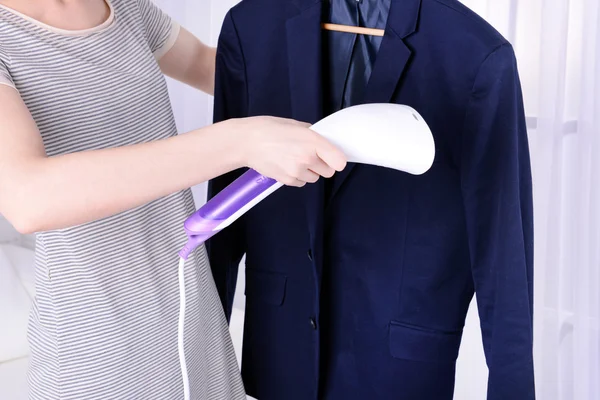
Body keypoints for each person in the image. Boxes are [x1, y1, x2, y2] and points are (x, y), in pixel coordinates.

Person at [0, 0, 346, 399]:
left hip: (194, 319)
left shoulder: (123, 7)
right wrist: (238, 141)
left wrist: (350, 83)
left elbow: (216, 67)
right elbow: (28, 196)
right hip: (98, 353)